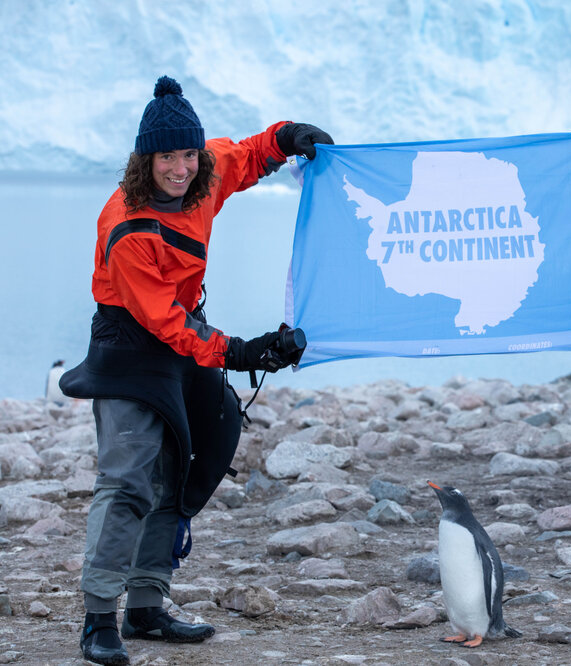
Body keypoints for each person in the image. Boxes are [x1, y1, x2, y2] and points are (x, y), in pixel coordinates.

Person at [59, 76, 332, 666]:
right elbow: (164, 322)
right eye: (167, 157)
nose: (180, 168)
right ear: (145, 160)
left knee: (183, 466)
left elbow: (247, 155)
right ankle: (99, 618)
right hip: (130, 348)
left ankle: (146, 606)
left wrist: (288, 136)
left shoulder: (204, 173)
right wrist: (241, 351)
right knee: (128, 480)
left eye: (188, 154)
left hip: (180, 334)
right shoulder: (127, 226)